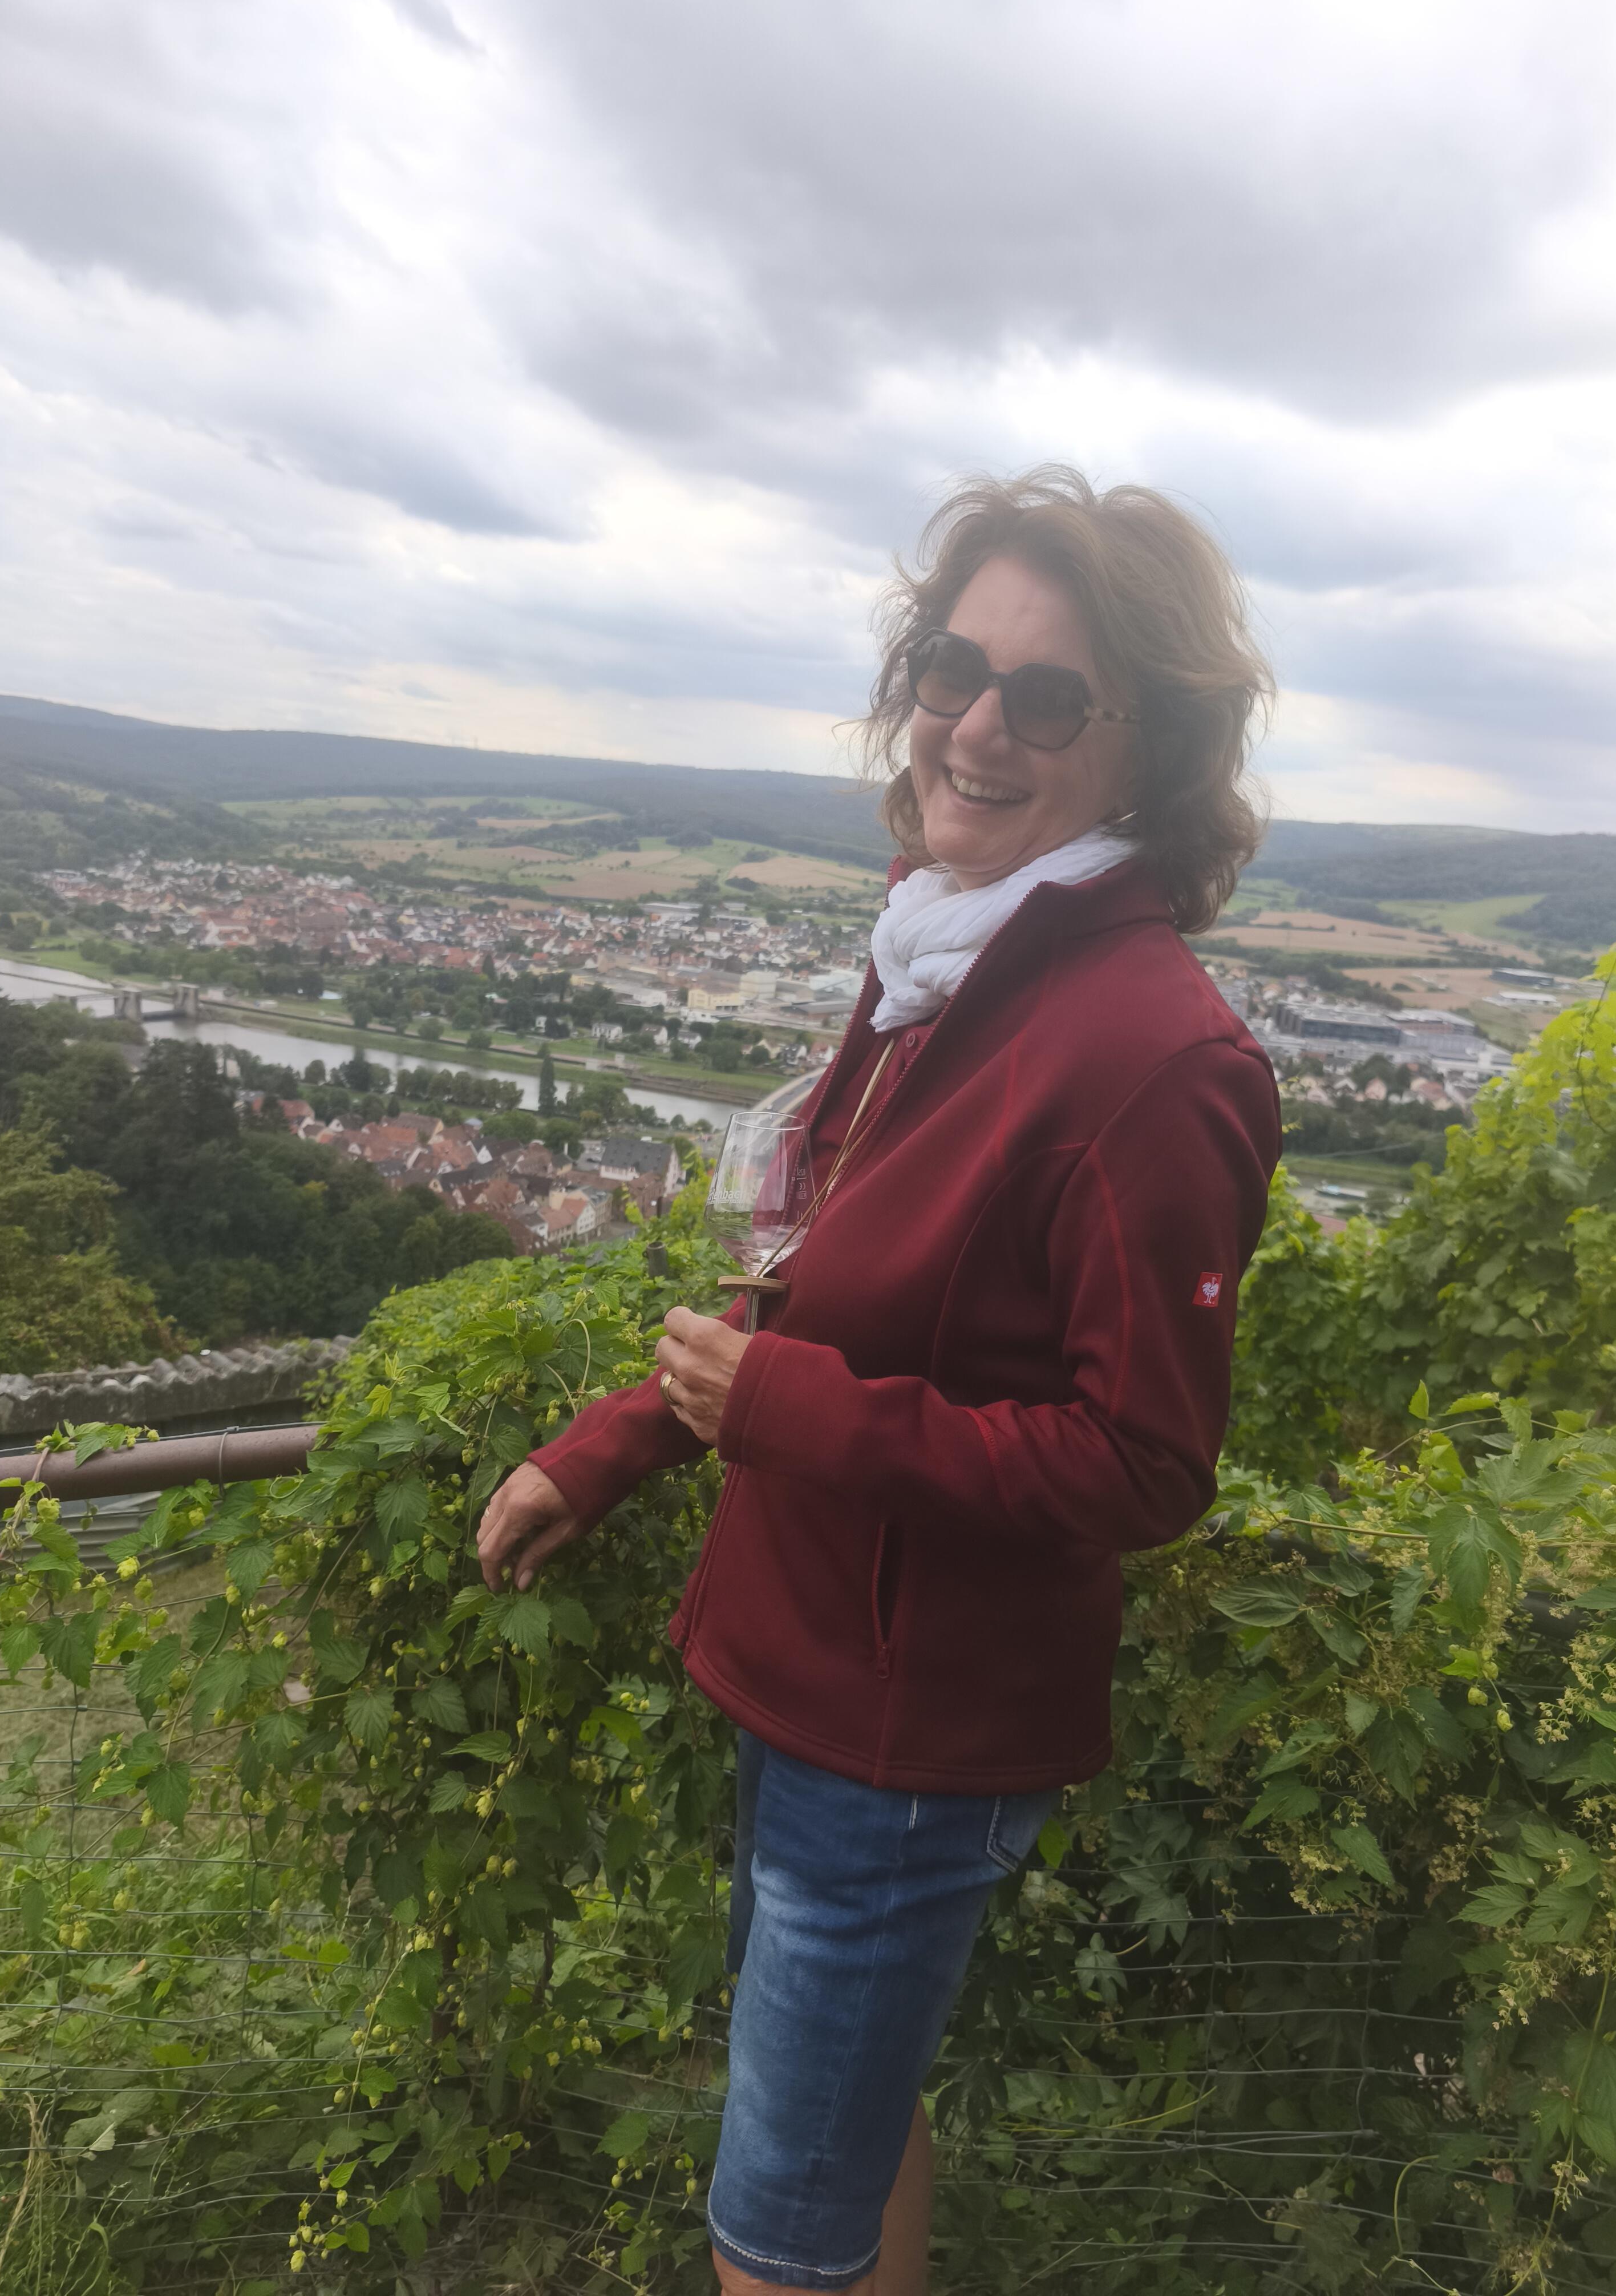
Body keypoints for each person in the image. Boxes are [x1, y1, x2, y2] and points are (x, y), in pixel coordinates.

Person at [477, 466, 1282, 2295]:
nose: (977, 725)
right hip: (818, 1671)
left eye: (1049, 698)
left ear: (1147, 748)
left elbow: (1145, 1464)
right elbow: (827, 1280)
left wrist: (784, 1419)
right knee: (850, 2137)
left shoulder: (1155, 1058)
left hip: (908, 1738)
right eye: (952, 667)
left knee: (772, 2234)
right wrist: (611, 1445)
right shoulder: (942, 954)